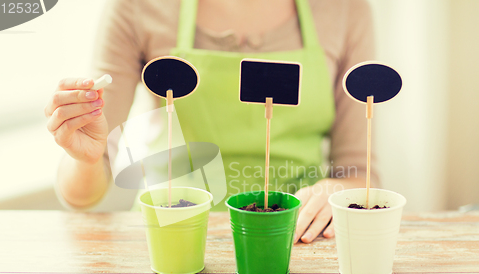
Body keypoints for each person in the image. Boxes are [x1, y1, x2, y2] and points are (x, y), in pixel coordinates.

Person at [44, 0, 379, 244]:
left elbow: (360, 173)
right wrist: (84, 158)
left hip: (295, 237)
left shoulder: (346, 9)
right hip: (169, 232)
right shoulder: (136, 7)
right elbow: (83, 196)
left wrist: (333, 192)